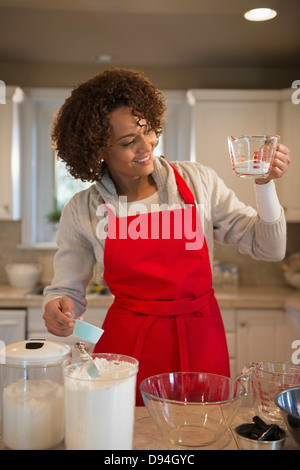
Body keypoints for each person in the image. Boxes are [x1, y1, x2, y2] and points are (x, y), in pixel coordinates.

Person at [43, 67, 290, 405]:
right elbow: (65, 291)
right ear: (98, 149)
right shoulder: (83, 209)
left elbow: (270, 248)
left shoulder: (197, 181)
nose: (146, 147)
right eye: (129, 142)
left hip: (201, 338)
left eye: (149, 131)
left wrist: (264, 184)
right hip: (127, 351)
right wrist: (57, 307)